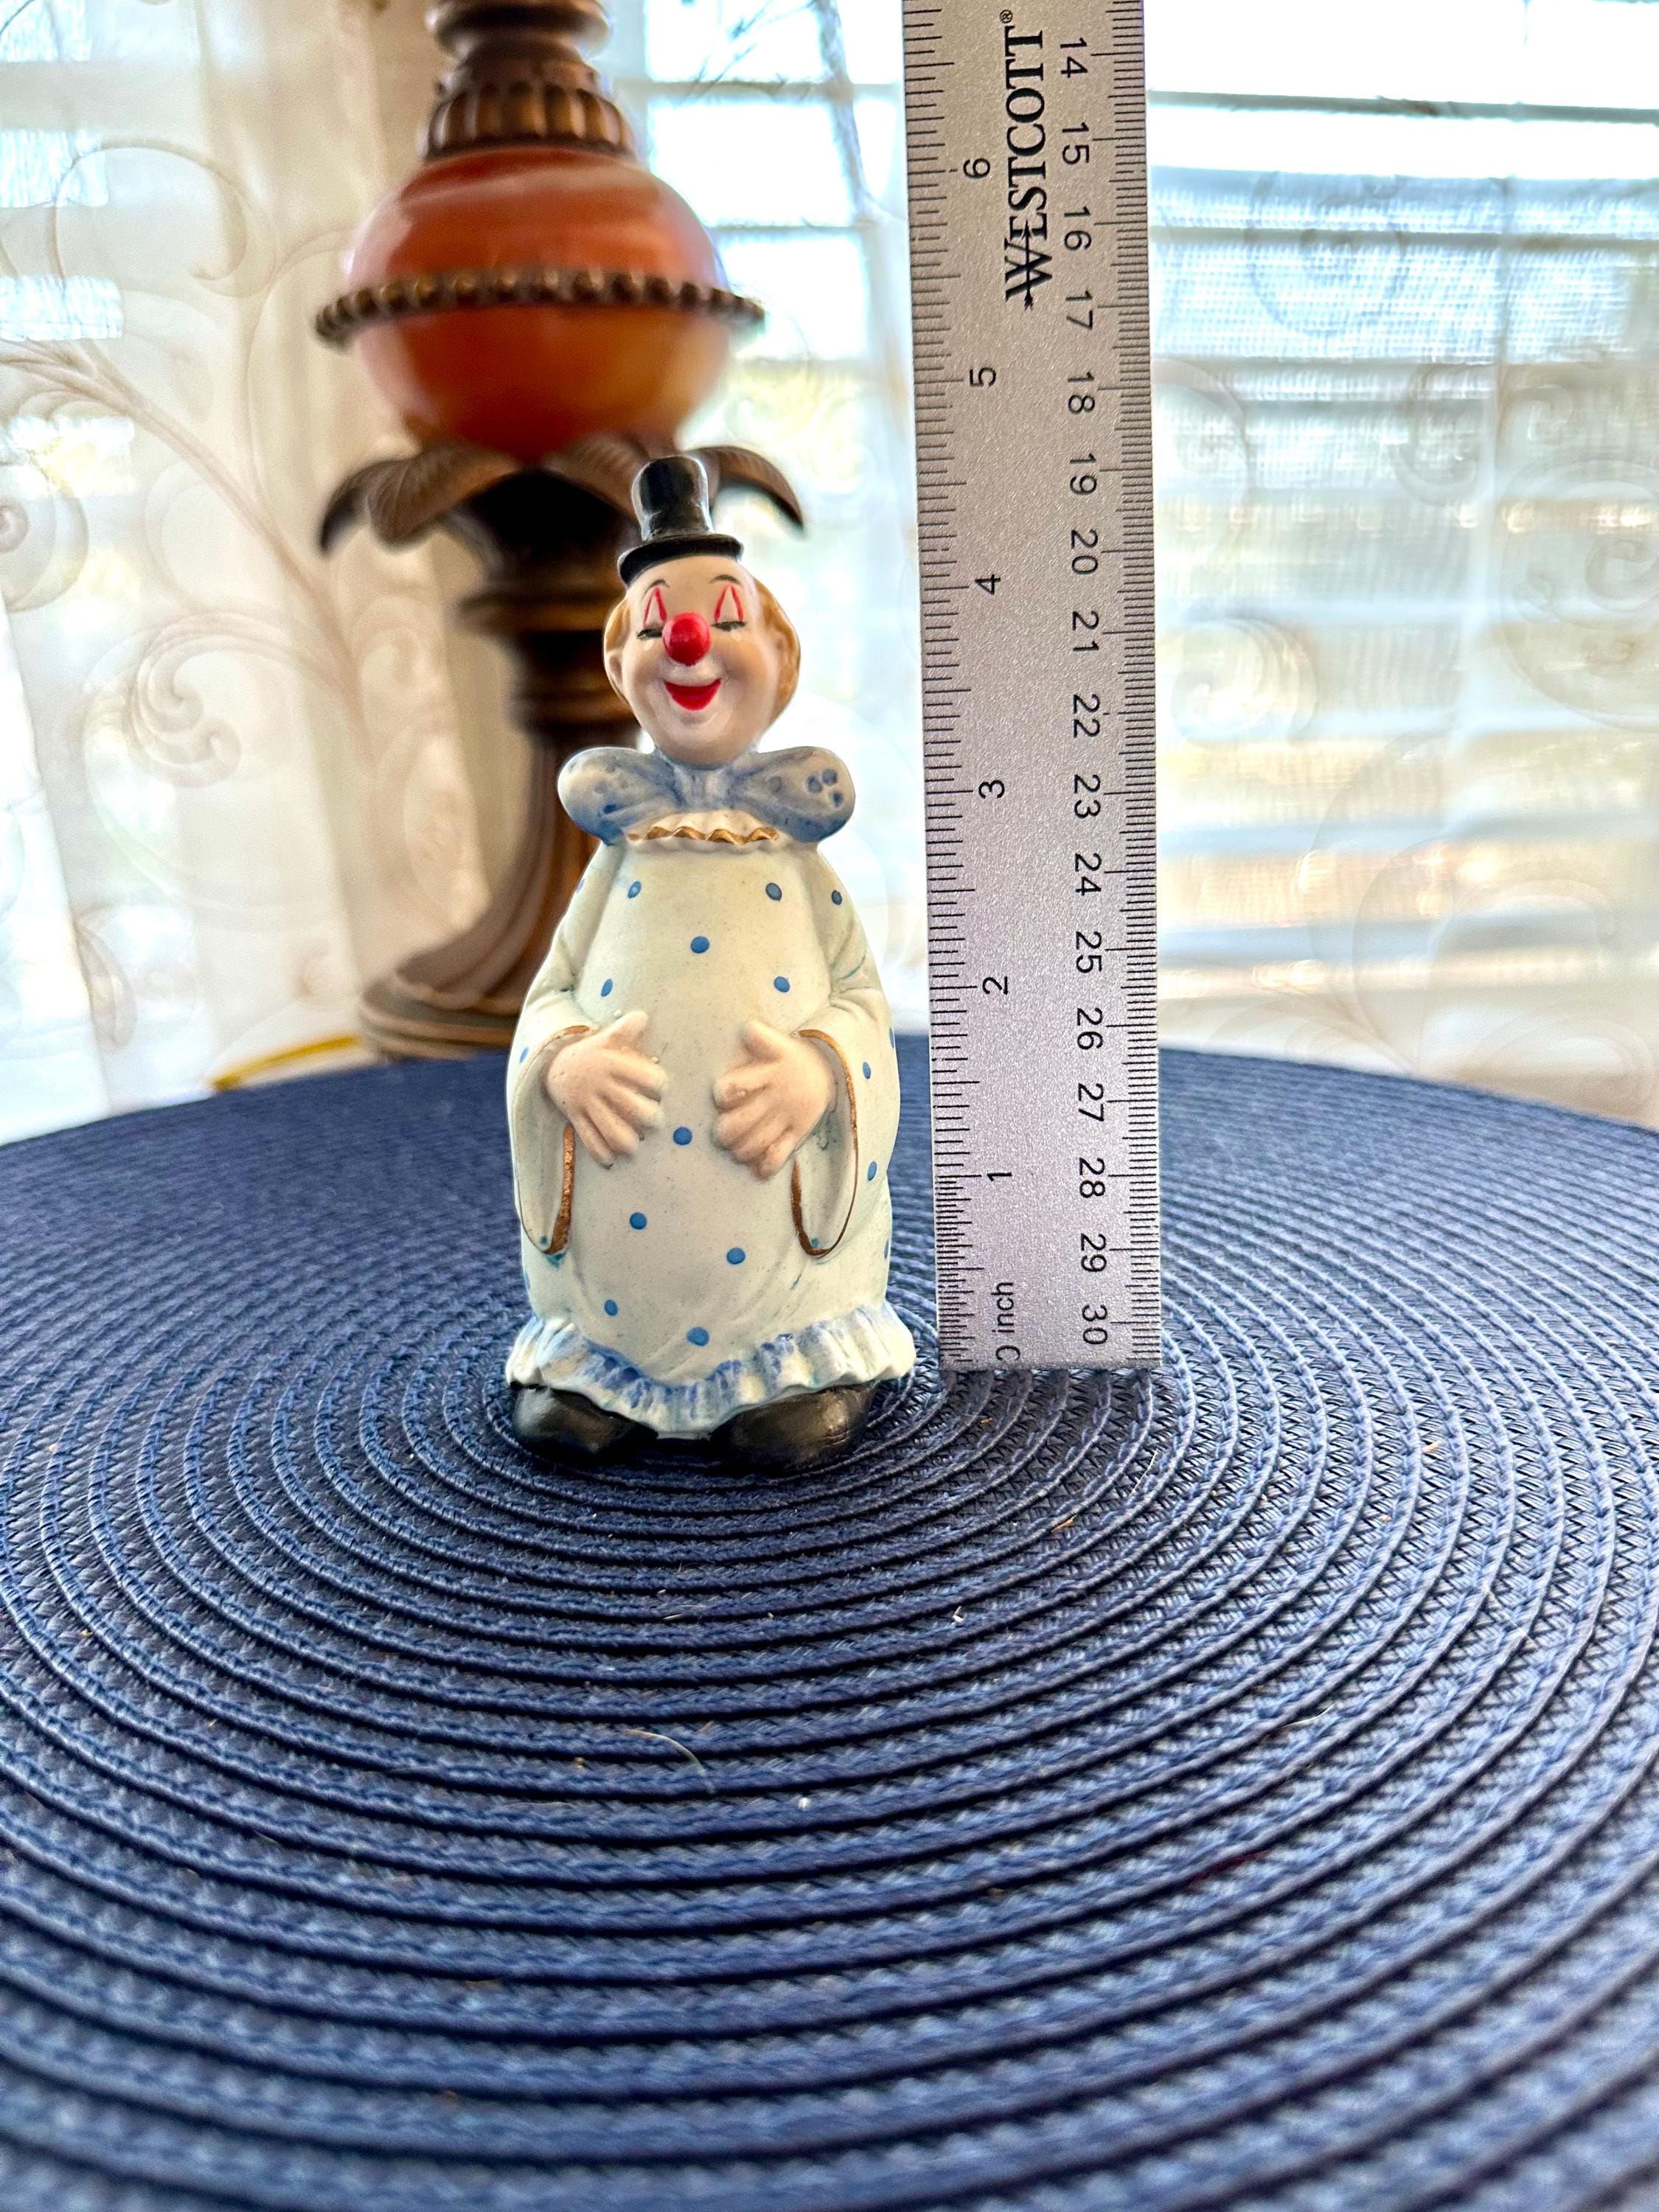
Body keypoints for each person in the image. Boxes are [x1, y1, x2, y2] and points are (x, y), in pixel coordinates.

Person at [504, 455, 915, 1467]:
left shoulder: (798, 862)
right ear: (619, 666)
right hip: (619, 1241)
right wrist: (563, 1063)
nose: (687, 641)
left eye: (723, 616)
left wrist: (820, 1069)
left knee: (782, 1329)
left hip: (775, 1235)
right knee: (604, 1328)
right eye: (656, 626)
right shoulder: (617, 862)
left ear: (781, 655)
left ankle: (792, 1366)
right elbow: (551, 992)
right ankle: (604, 1369)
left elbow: (861, 998)